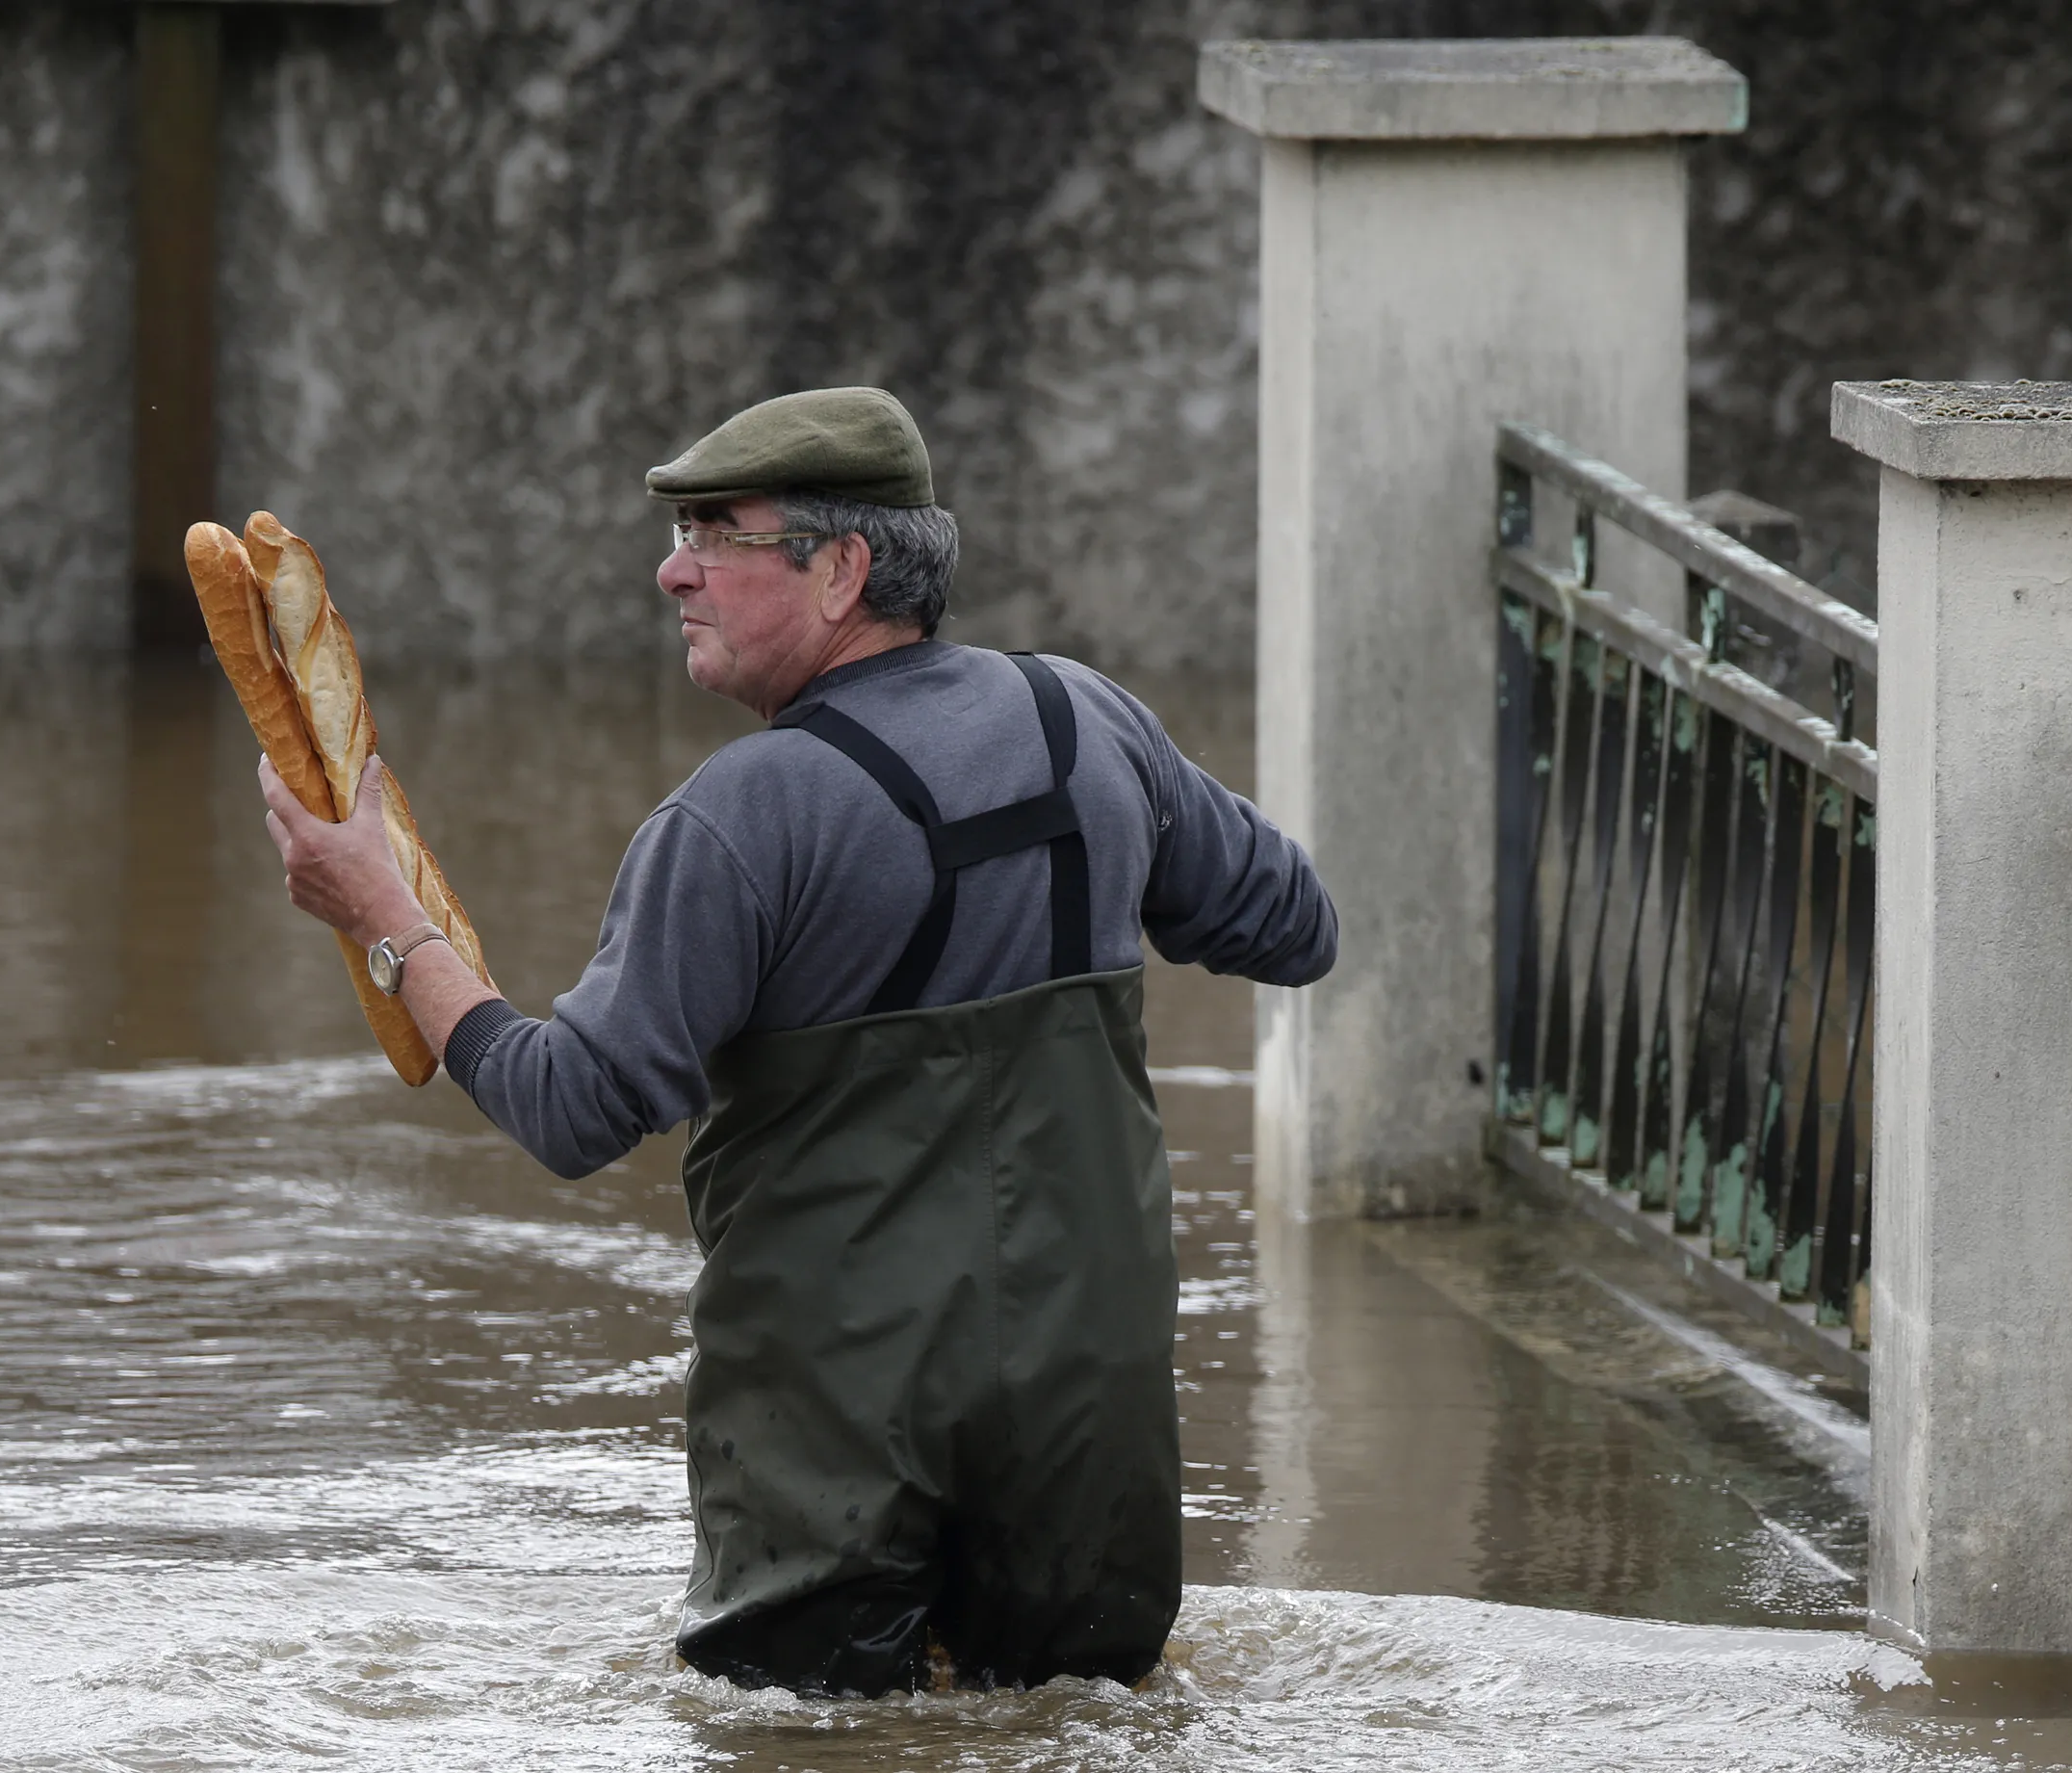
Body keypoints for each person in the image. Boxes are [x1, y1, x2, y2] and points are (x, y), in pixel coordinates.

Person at [257, 385, 1335, 1695]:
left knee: (802, 1743)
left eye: (717, 533)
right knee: (1071, 1725)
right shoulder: (1088, 723)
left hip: (838, 1435)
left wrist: (386, 926)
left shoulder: (739, 819)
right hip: (1089, 1413)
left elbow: (571, 1111)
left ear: (843, 569)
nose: (673, 570)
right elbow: (1295, 928)